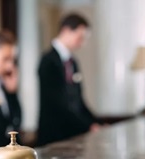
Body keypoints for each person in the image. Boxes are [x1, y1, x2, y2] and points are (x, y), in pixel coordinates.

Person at [37, 13, 102, 146]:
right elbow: (58, 103)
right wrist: (87, 126)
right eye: (80, 38)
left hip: (74, 134)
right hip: (54, 135)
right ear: (66, 31)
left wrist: (95, 123)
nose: (81, 43)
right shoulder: (48, 61)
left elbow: (78, 100)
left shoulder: (73, 63)